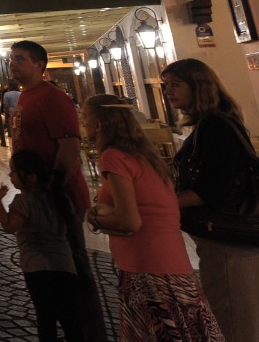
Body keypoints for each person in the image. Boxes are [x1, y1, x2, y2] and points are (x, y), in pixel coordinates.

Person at [83, 94, 222, 341]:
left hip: (147, 264)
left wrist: (95, 217)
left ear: (99, 123)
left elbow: (129, 221)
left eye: (85, 118)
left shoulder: (113, 156)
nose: (82, 124)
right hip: (170, 261)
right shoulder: (145, 155)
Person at [9, 39, 108, 342]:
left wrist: (53, 188)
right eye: (11, 59)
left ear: (39, 66)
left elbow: (69, 147)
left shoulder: (51, 98)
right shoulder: (26, 97)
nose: (12, 64)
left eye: (20, 59)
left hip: (59, 198)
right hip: (40, 199)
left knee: (74, 270)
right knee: (54, 274)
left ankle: (90, 334)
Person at [162, 57, 259, 342]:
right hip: (223, 240)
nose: (168, 92)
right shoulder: (213, 123)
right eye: (166, 85)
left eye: (175, 85)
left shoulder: (215, 125)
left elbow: (214, 189)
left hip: (228, 238)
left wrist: (162, 204)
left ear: (198, 86)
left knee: (232, 316)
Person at [0, 149, 85, 342]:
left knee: (46, 318)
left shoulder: (23, 202)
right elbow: (75, 226)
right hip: (65, 266)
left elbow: (10, 227)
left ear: (31, 177)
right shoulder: (58, 198)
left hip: (36, 267)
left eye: (14, 171)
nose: (10, 175)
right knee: (71, 321)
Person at [2, 80, 22, 148]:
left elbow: (6, 107)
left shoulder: (7, 94)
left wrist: (6, 117)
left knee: (13, 130)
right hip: (20, 113)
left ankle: (15, 145)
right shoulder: (20, 93)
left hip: (12, 114)